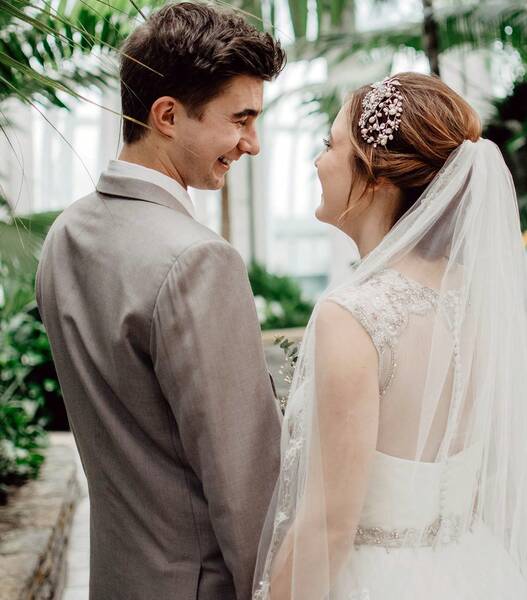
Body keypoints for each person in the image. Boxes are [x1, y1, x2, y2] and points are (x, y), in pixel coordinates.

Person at [253, 73, 527, 599]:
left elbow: (328, 527)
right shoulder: (487, 304)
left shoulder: (352, 316)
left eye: (330, 145)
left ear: (377, 177)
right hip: (476, 569)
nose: (317, 162)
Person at [35, 3, 285, 599]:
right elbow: (244, 484)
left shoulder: (65, 235)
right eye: (241, 120)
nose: (252, 144)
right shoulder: (200, 260)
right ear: (167, 116)